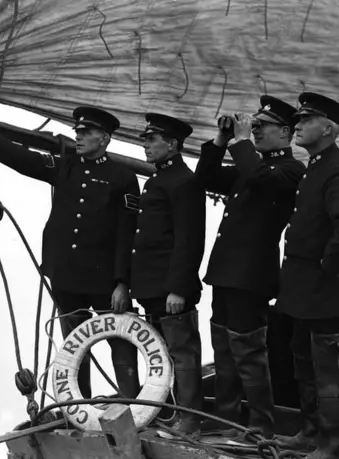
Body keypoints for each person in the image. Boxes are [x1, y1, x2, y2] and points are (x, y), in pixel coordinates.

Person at [0, 107, 142, 400]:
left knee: (121, 340)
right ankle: (80, 410)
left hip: (104, 279)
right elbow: (22, 158)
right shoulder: (65, 167)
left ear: (104, 139)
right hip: (65, 275)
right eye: (78, 132)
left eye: (86, 133)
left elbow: (126, 233)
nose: (79, 136)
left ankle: (133, 405)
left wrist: (122, 283)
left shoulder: (123, 177)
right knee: (75, 344)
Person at [194, 97, 306, 438]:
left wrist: (243, 142)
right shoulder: (252, 168)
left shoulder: (289, 170)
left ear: (285, 133)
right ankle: (227, 420)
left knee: (249, 355)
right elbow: (205, 177)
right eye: (252, 126)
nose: (254, 131)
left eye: (262, 126)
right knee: (224, 351)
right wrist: (222, 140)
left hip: (252, 277)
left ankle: (261, 426)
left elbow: (259, 177)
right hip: (226, 273)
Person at [274, 92, 339, 459]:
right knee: (305, 362)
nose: (296, 125)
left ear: (326, 129)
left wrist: (326, 268)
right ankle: (310, 433)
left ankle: (331, 446)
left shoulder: (337, 170)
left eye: (304, 120)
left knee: (329, 372)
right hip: (306, 293)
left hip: (326, 292)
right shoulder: (317, 165)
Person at [131, 113, 206, 436]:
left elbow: (189, 240)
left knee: (183, 354)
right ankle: (173, 412)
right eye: (145, 139)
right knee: (162, 355)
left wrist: (177, 289)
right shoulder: (157, 180)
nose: (145, 145)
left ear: (172, 144)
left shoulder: (184, 182)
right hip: (153, 286)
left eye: (152, 139)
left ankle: (189, 419)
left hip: (171, 289)